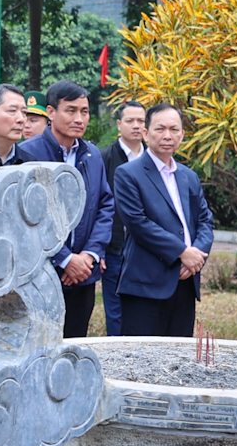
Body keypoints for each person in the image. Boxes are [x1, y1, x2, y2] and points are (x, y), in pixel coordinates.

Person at [13, 82, 113, 340]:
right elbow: (28, 216)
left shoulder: (92, 154)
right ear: (51, 112)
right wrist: (65, 259)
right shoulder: (27, 154)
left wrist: (89, 256)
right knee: (39, 348)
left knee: (74, 346)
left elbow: (104, 204)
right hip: (40, 274)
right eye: (71, 110)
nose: (79, 119)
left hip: (82, 276)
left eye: (85, 111)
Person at [111, 103, 216, 337]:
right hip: (146, 286)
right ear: (146, 134)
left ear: (182, 135)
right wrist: (182, 252)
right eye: (160, 129)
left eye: (174, 129)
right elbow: (138, 223)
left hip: (185, 281)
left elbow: (205, 221)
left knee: (179, 358)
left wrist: (196, 256)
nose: (167, 136)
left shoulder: (188, 176)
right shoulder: (128, 174)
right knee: (143, 360)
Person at [100, 100, 146, 336]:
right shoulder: (104, 157)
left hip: (148, 251)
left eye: (141, 121)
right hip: (115, 249)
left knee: (145, 310)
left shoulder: (155, 158)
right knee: (116, 311)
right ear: (119, 124)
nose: (136, 126)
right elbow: (99, 205)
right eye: (130, 121)